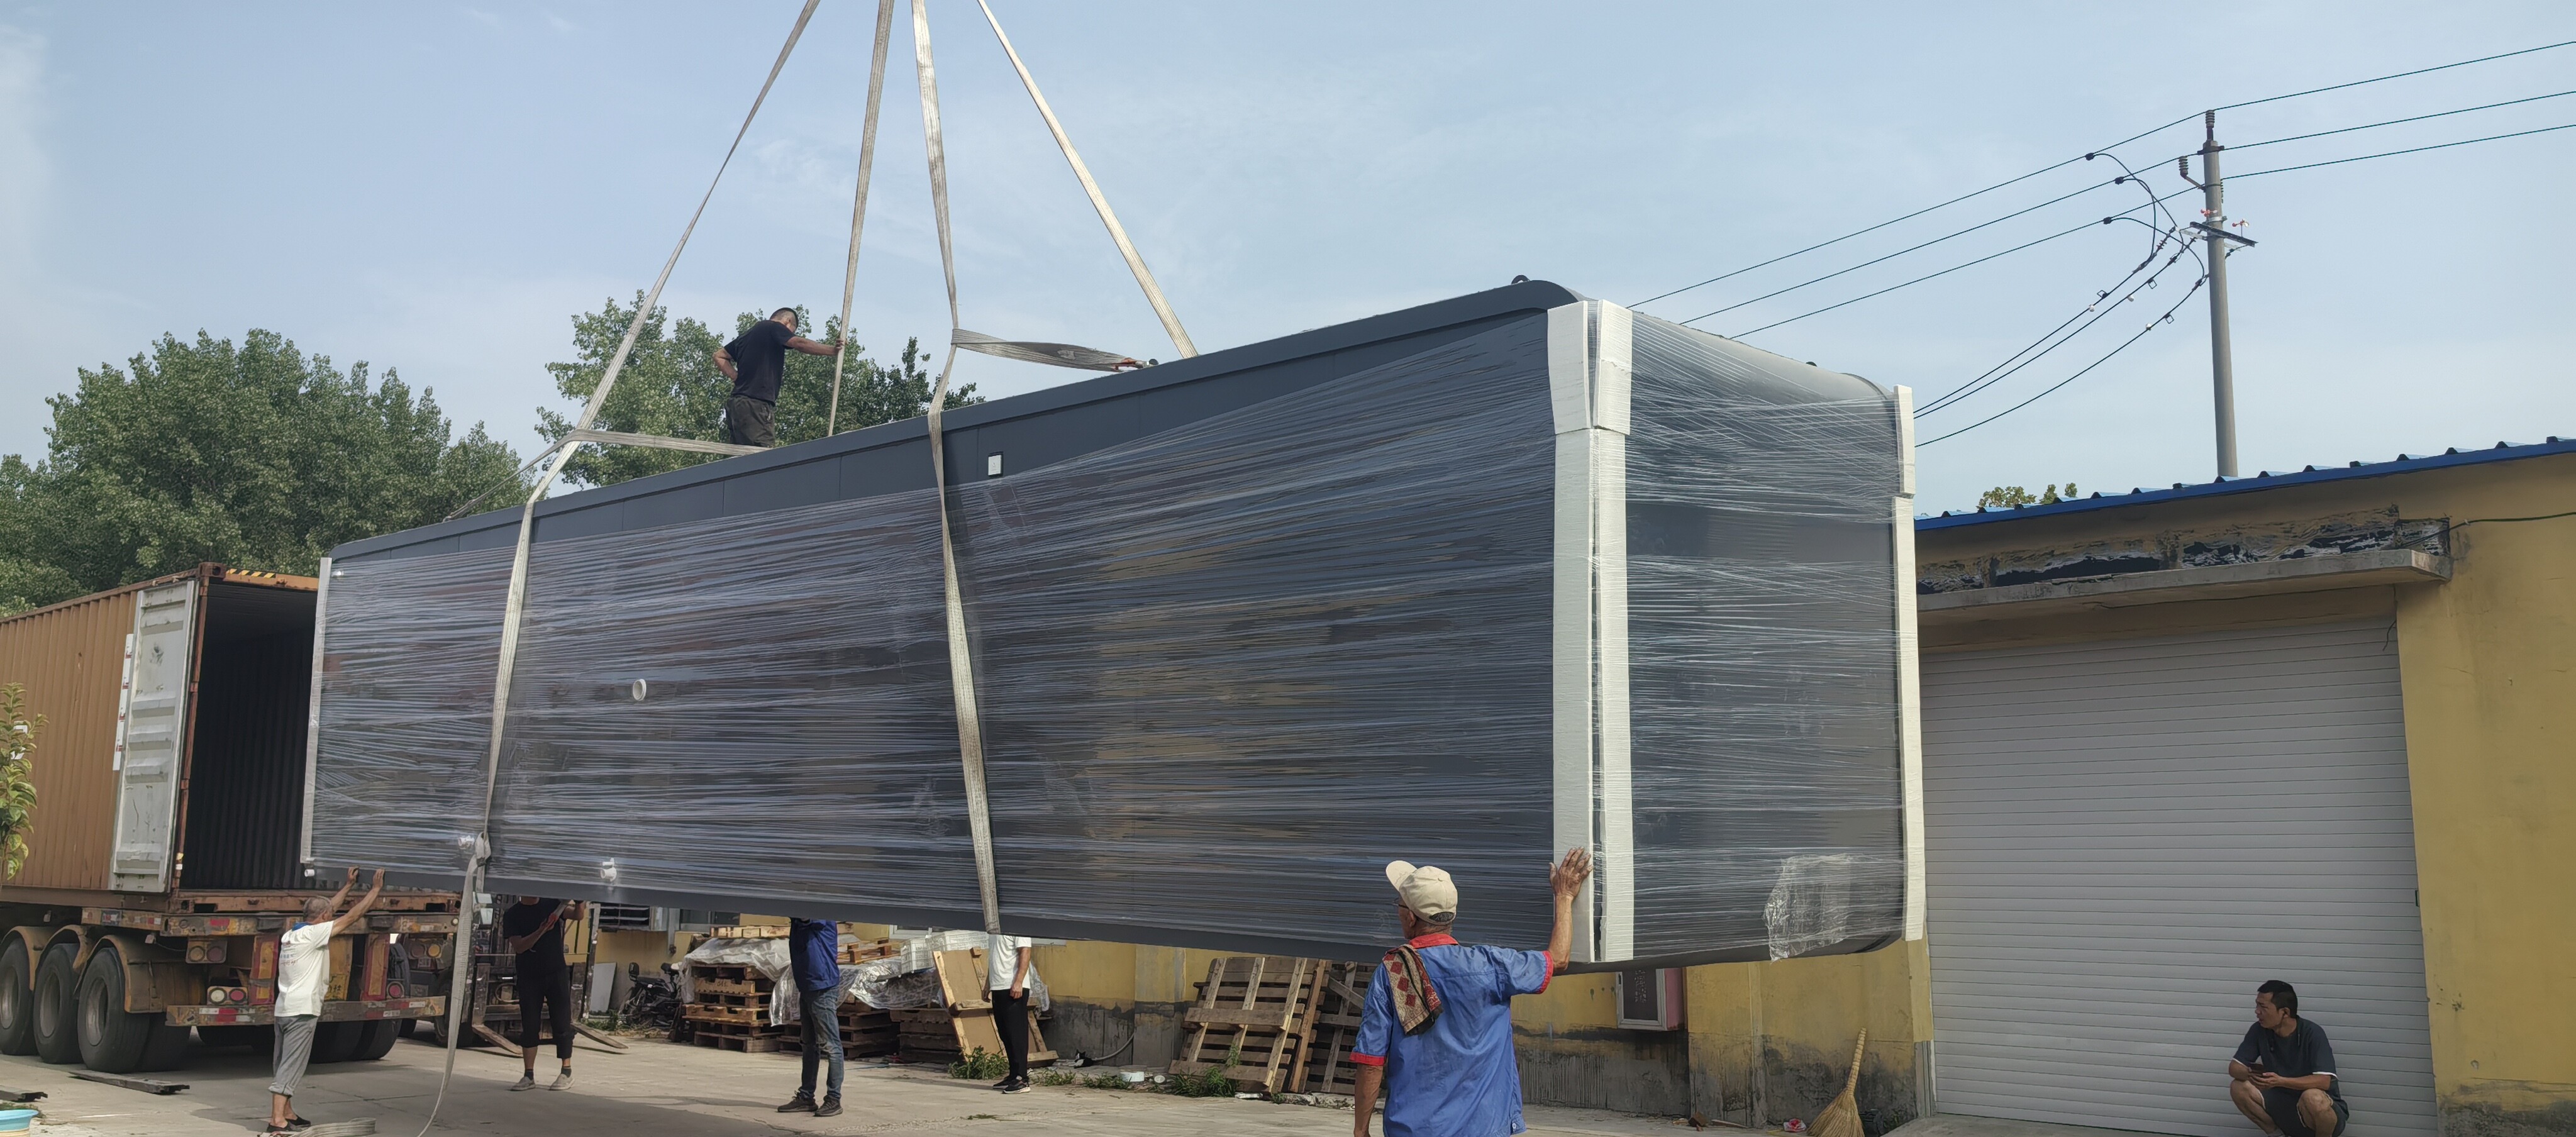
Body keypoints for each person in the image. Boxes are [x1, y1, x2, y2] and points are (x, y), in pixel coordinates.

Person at [1352, 848, 1592, 1137]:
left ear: (1411, 918)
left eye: (1400, 905)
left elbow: (1371, 1062)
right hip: (1485, 1128)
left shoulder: (1393, 973)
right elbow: (1558, 960)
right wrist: (1564, 896)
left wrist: (1361, 1131)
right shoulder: (1492, 966)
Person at [270, 868, 384, 1136]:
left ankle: (287, 1112)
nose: (330, 917)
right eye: (328, 915)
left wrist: (348, 885)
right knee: (292, 1065)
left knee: (283, 1062)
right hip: (302, 1012)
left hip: (284, 1009)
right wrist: (375, 890)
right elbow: (352, 917)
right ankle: (276, 1119)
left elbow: (326, 908)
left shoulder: (292, 934)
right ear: (323, 918)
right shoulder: (314, 936)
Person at [2229, 979, 2348, 1137]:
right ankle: (2276, 1134)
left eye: (2263, 1007)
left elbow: (2323, 1081)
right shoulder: (2259, 1030)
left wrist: (2281, 1081)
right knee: (2238, 1087)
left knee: (2313, 1097)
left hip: (2321, 1113)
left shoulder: (2312, 1033)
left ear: (2285, 1012)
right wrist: (2250, 1073)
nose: (2257, 1012)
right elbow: (2234, 1068)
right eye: (2257, 1005)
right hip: (2286, 1107)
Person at [713, 308, 839, 447]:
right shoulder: (774, 327)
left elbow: (719, 355)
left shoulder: (747, 335)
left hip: (737, 405)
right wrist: (833, 351)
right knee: (763, 454)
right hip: (756, 404)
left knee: (742, 456)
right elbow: (799, 344)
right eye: (791, 331)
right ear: (787, 321)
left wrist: (736, 377)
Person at [501, 896, 582, 1092]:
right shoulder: (513, 914)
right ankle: (528, 1075)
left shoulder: (552, 904)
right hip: (529, 975)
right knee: (530, 1024)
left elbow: (577, 916)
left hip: (556, 972)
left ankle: (566, 1072)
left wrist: (580, 902)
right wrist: (541, 930)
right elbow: (520, 946)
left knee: (562, 1022)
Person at [777, 918, 846, 1117]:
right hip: (807, 986)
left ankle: (834, 1099)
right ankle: (806, 1097)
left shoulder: (820, 915)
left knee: (831, 1046)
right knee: (809, 1044)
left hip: (822, 987)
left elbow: (811, 918)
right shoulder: (798, 921)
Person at [988, 931, 1038, 1094]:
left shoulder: (1017, 927)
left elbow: (1025, 951)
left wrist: (1019, 982)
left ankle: (1022, 1078)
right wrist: (988, 984)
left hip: (1013, 987)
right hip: (999, 986)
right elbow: (994, 957)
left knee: (1016, 1034)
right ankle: (1013, 1075)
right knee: (1005, 1033)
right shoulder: (994, 930)